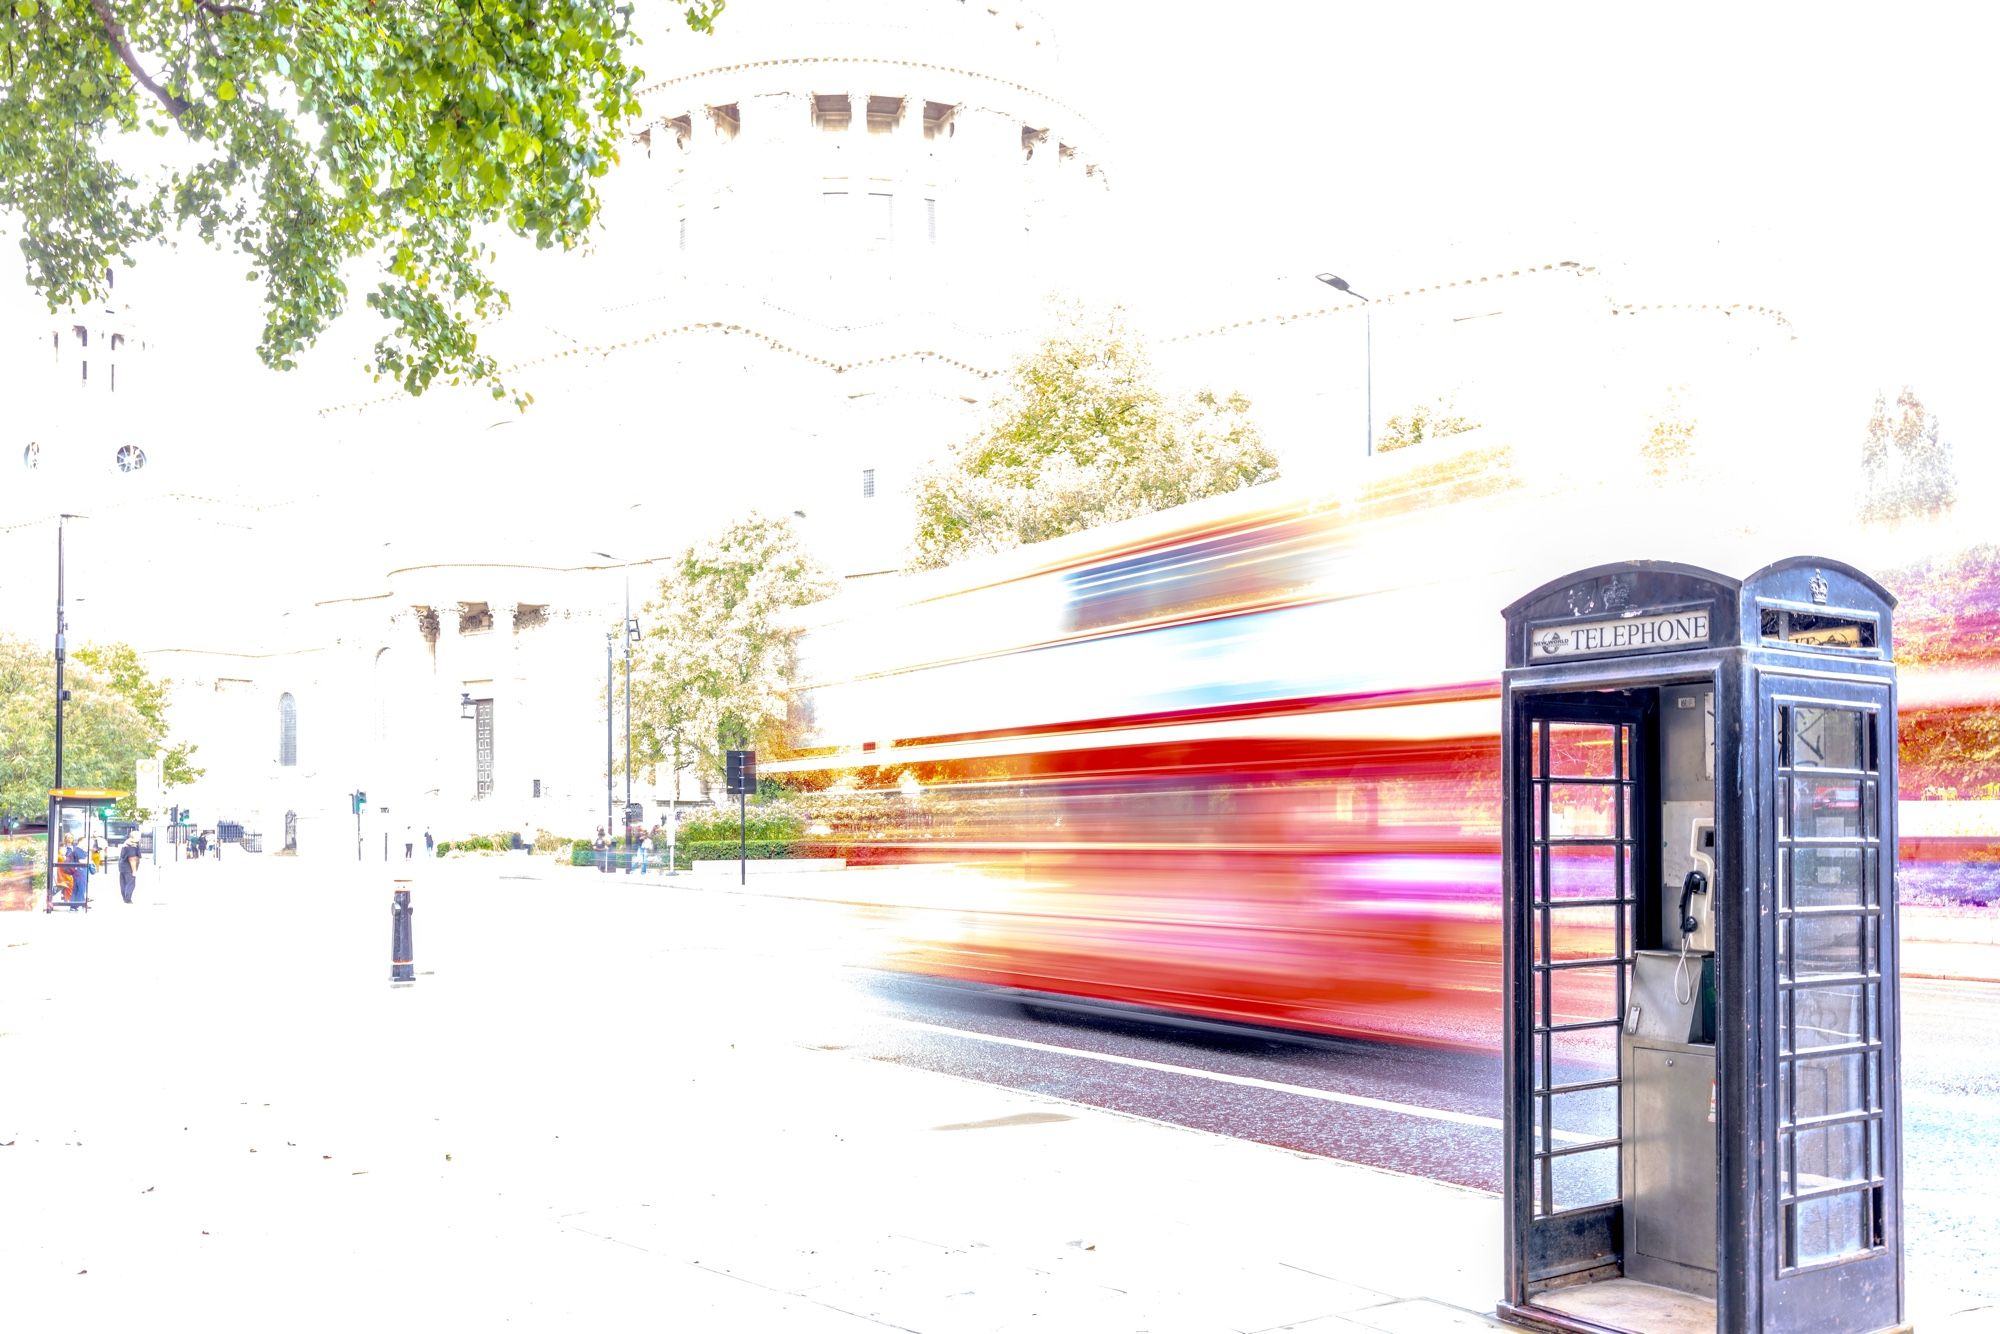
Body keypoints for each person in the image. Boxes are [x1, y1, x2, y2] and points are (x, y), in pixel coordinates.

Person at [119, 835, 141, 904]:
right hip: (128, 868)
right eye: (139, 836)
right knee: (131, 883)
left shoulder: (125, 844)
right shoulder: (132, 846)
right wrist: (134, 871)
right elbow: (132, 859)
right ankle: (128, 899)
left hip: (122, 866)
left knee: (123, 883)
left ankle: (124, 898)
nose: (140, 838)